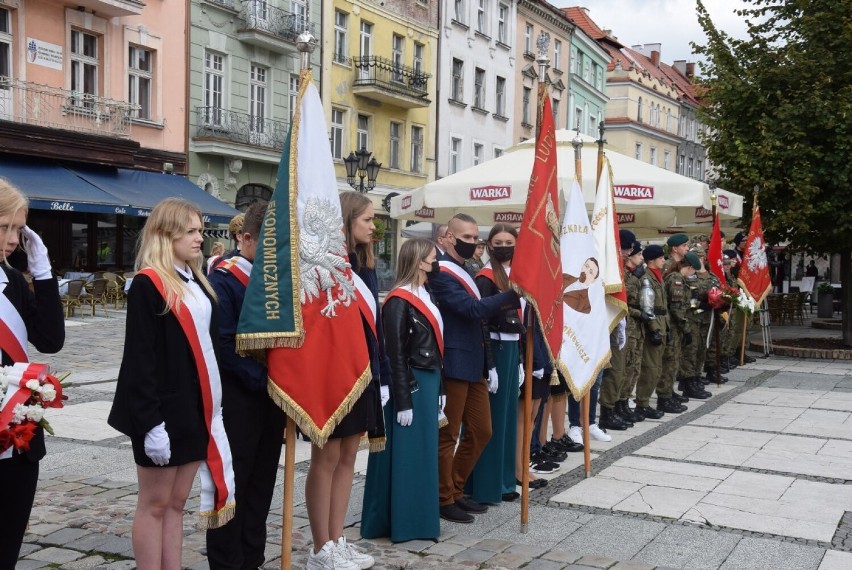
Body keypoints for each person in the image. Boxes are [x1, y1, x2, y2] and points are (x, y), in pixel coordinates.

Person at [108, 197, 236, 569]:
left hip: (195, 409)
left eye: (200, 230)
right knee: (154, 504)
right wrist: (150, 425)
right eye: (191, 231)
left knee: (177, 503)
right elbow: (139, 359)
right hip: (160, 413)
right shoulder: (149, 283)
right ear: (167, 234)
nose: (200, 238)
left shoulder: (196, 277)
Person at [305, 191, 384, 570]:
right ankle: (320, 547)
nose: (373, 226)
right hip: (333, 371)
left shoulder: (366, 264)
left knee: (349, 457)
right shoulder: (328, 262)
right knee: (327, 458)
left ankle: (337, 539)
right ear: (348, 219)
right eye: (367, 219)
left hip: (362, 371)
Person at [206, 201, 285, 569]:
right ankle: (227, 561)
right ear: (247, 238)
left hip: (271, 398)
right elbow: (223, 344)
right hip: (238, 399)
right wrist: (264, 380)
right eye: (270, 242)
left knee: (262, 484)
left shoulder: (276, 278)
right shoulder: (225, 277)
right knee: (234, 485)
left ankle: (252, 557)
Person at [428, 213, 520, 524]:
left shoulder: (465, 269)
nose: (473, 243)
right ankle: (443, 498)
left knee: (482, 431)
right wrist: (513, 294)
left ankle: (455, 487)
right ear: (450, 237)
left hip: (476, 361)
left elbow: (478, 319)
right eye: (467, 238)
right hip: (454, 361)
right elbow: (471, 309)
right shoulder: (440, 272)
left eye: (474, 238)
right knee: (448, 434)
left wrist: (490, 364)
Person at [0, 180, 65, 568]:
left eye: (18, 230)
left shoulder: (11, 282)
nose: (11, 240)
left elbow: (51, 339)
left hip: (17, 436)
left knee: (7, 545)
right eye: (3, 227)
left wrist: (42, 272)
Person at [361, 238, 443, 542]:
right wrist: (404, 398)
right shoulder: (398, 299)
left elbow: (437, 343)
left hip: (430, 378)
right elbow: (394, 352)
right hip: (411, 383)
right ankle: (407, 523)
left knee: (423, 452)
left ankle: (421, 519)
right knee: (409, 454)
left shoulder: (427, 293)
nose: (436, 260)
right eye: (432, 256)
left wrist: (442, 385)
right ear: (419, 260)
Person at [468, 224, 524, 505]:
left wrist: (522, 360)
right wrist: (489, 363)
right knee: (493, 420)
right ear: (489, 244)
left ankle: (504, 480)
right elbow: (481, 321)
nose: (504, 246)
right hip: (496, 349)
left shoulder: (518, 275)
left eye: (509, 241)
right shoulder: (485, 277)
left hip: (513, 348)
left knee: (508, 419)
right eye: (498, 241)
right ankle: (486, 484)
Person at [634, 245, 667, 420]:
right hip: (653, 325)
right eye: (661, 257)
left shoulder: (658, 277)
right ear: (652, 260)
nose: (664, 260)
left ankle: (645, 402)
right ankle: (642, 403)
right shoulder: (647, 278)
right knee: (650, 368)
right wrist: (654, 329)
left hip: (662, 323)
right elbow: (647, 305)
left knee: (657, 367)